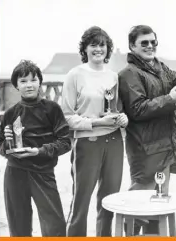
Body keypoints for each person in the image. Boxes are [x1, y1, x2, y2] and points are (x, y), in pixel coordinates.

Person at [118, 25, 176, 235]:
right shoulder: (129, 73)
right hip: (144, 148)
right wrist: (171, 99)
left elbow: (174, 80)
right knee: (139, 205)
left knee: (158, 204)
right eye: (144, 43)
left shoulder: (158, 66)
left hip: (164, 146)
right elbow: (137, 109)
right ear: (132, 46)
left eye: (153, 42)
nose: (150, 46)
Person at [61, 26, 128, 237]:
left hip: (115, 141)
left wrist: (122, 118)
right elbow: (66, 117)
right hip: (87, 143)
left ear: (108, 49)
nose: (98, 49)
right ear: (85, 49)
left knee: (109, 201)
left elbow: (116, 109)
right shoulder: (75, 75)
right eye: (93, 45)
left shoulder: (114, 76)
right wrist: (96, 123)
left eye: (102, 45)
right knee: (81, 201)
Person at [0, 60, 70, 236]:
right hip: (15, 173)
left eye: (33, 80)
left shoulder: (52, 109)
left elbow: (66, 142)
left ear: (40, 82)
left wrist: (40, 151)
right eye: (23, 81)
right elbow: (0, 147)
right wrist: (7, 143)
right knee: (18, 226)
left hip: (43, 173)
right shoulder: (10, 113)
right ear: (16, 85)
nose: (29, 85)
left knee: (55, 226)